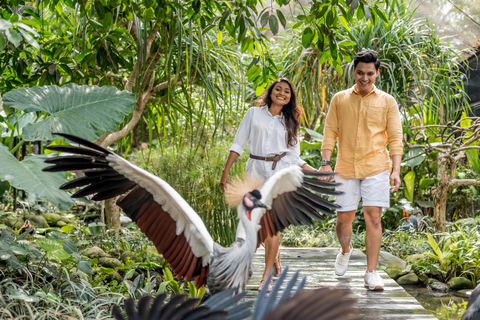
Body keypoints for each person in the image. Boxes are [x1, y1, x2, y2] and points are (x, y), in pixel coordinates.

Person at [220, 78, 317, 292]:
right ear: (271, 91)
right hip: (254, 170)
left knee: (272, 225)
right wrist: (226, 171)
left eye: (287, 92)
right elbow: (238, 143)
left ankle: (266, 279)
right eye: (278, 89)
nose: (282, 93)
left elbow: (295, 157)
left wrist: (315, 173)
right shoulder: (253, 113)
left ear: (290, 98)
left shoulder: (290, 121)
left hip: (279, 173)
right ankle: (275, 259)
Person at [319, 49, 403, 291]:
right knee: (343, 220)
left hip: (376, 166)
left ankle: (371, 273)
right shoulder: (339, 99)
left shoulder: (387, 101)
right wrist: (325, 162)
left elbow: (395, 138)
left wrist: (395, 170)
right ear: (353, 72)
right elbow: (330, 133)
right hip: (345, 167)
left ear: (377, 73)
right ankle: (346, 250)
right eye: (359, 73)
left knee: (374, 218)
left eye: (369, 73)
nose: (364, 78)